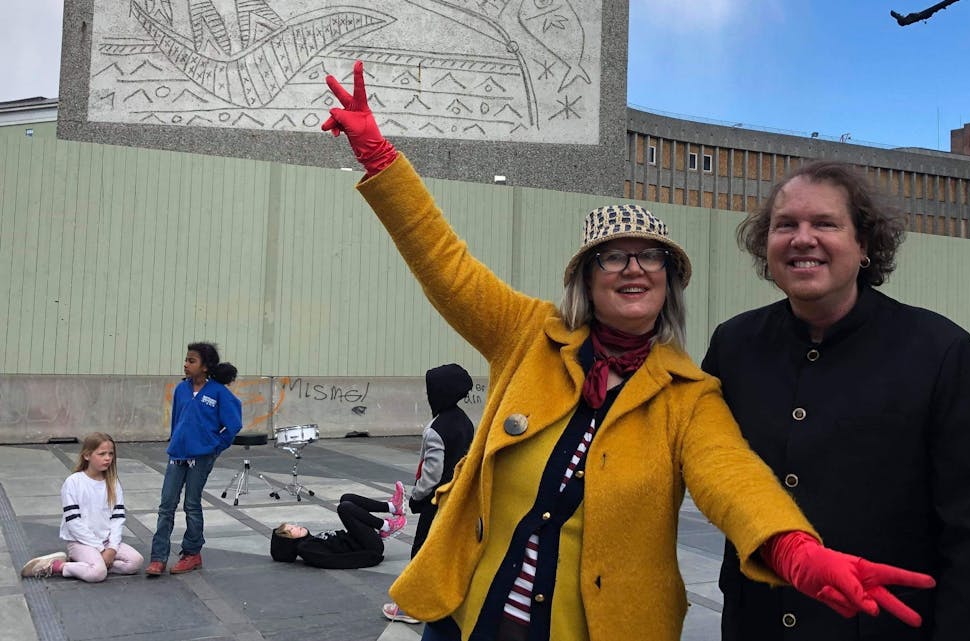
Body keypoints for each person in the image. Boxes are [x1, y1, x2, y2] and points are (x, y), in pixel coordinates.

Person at [318, 61, 934, 641]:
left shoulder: (686, 394)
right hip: (470, 616)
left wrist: (794, 550)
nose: (633, 269)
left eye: (651, 256)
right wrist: (378, 154)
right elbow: (443, 262)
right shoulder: (528, 334)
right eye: (613, 255)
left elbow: (732, 477)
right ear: (587, 277)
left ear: (670, 279)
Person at [701, 160, 970, 640]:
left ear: (865, 244)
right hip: (758, 624)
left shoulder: (944, 354)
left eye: (825, 223)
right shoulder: (734, 345)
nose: (802, 238)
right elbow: (705, 462)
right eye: (785, 224)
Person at [384, 363, 476, 624]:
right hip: (457, 497)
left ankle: (412, 608)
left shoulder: (436, 428)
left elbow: (431, 472)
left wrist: (418, 496)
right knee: (447, 550)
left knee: (421, 552)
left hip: (436, 500)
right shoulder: (464, 422)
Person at [145, 342, 242, 576]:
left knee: (191, 504)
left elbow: (234, 424)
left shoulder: (218, 392)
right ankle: (158, 558)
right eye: (186, 360)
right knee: (166, 505)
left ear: (206, 366)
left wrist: (214, 447)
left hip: (201, 458)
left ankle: (192, 553)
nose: (186, 364)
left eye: (192, 361)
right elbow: (177, 420)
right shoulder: (181, 389)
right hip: (177, 455)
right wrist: (176, 440)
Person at [20, 432, 144, 582]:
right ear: (87, 456)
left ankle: (86, 565)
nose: (107, 458)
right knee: (97, 574)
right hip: (80, 542)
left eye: (111, 454)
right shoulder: (73, 482)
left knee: (135, 562)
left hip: (106, 541)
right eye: (102, 454)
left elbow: (117, 518)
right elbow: (73, 522)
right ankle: (57, 566)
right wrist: (101, 549)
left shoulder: (113, 482)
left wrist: (111, 548)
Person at [270, 483, 407, 569]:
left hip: (360, 539)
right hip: (369, 548)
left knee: (346, 498)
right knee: (344, 508)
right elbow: (335, 561)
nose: (295, 526)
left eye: (291, 525)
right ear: (289, 541)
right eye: (290, 530)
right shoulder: (306, 549)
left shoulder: (309, 541)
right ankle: (387, 527)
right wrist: (371, 557)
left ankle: (392, 507)